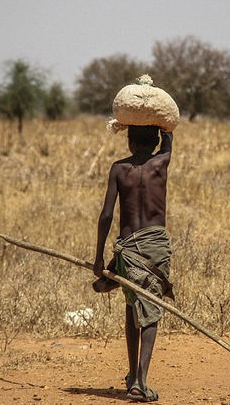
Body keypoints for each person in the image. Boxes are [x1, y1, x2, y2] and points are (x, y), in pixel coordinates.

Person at [93, 125, 174, 403]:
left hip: (127, 249)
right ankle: (140, 381)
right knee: (151, 308)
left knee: (132, 305)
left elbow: (106, 215)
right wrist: (163, 128)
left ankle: (133, 375)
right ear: (153, 141)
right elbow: (168, 141)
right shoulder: (161, 162)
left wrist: (99, 255)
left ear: (129, 141)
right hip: (154, 249)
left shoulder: (118, 169)